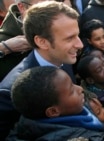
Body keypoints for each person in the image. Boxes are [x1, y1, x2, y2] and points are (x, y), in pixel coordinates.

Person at [0, 1, 83, 139]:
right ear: (42, 42)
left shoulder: (64, 59)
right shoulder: (9, 91)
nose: (79, 44)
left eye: (77, 35)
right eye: (69, 38)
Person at [6, 66, 104, 140]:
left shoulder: (72, 108)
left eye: (73, 84)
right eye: (71, 91)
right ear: (53, 111)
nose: (80, 89)